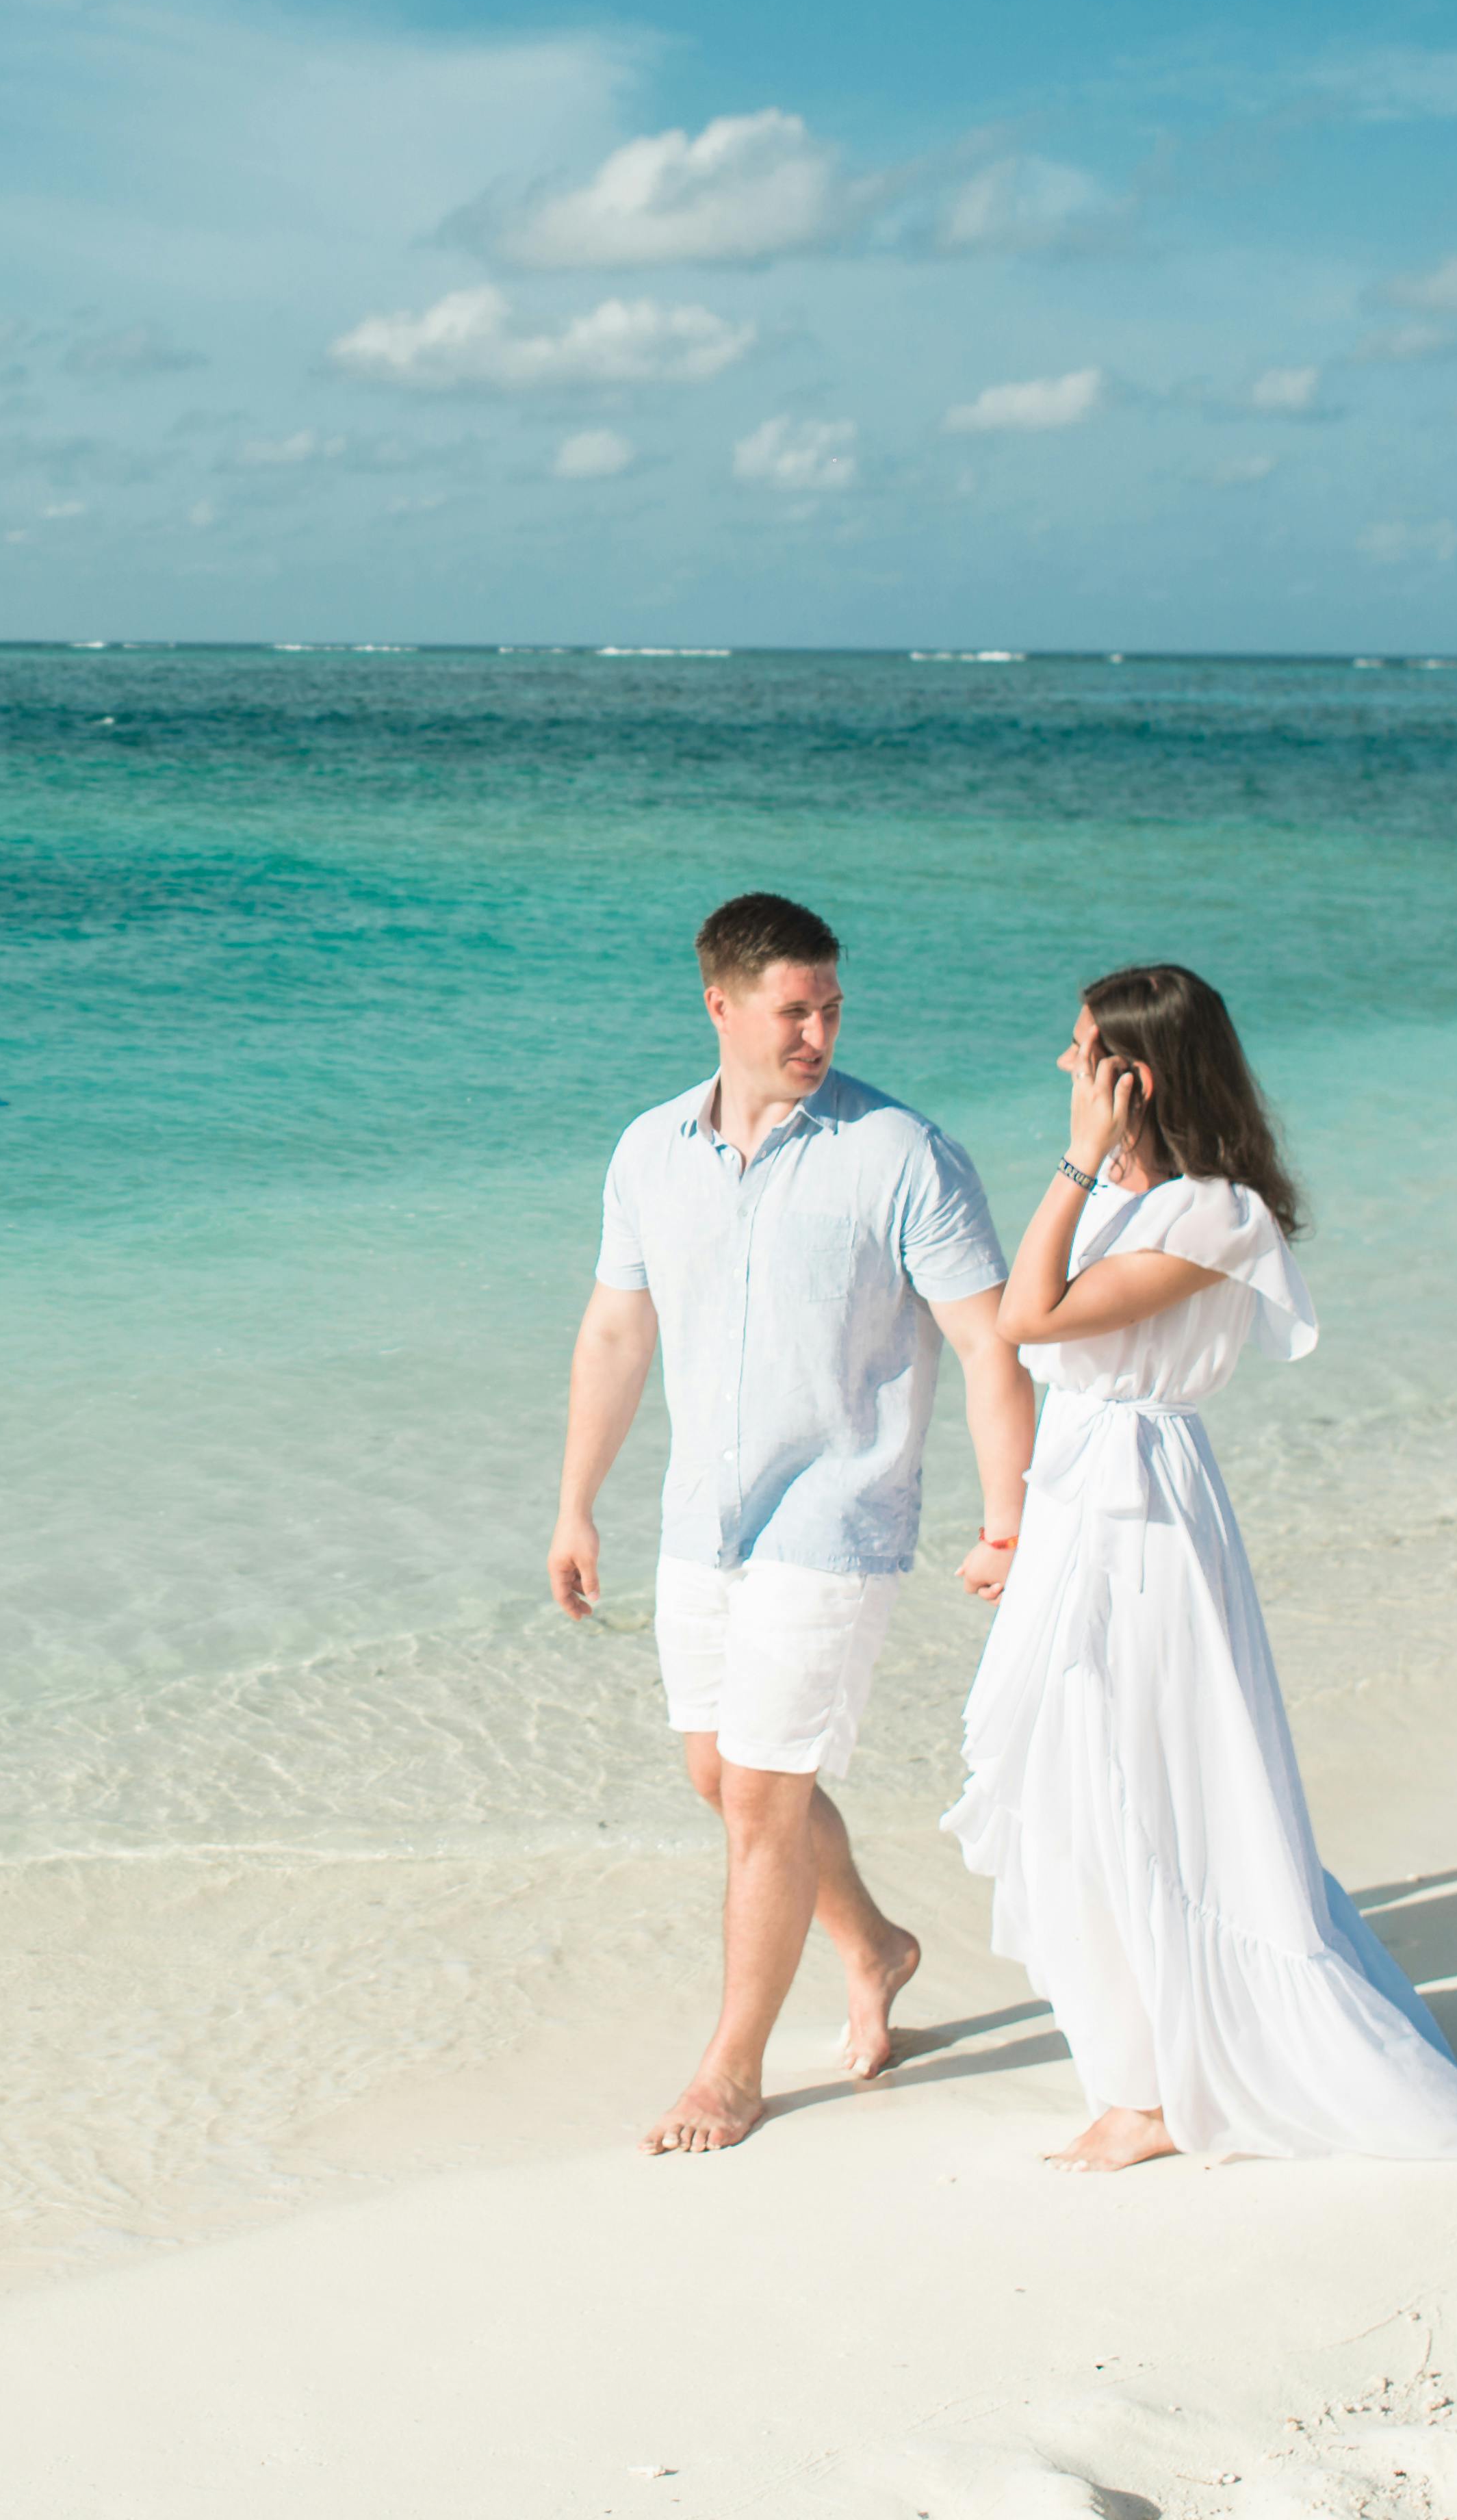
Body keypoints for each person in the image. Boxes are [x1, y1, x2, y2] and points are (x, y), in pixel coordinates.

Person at [944, 963, 1457, 2170]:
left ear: (1131, 1074)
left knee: (1142, 1782)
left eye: (1080, 1052)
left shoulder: (1218, 1212)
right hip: (1081, 1502)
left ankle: (1159, 2096)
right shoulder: (1118, 1191)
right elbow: (1040, 1340)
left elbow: (1028, 1320)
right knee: (1065, 1786)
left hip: (1145, 1515)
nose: (1062, 1068)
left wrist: (1068, 1160)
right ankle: (1133, 2074)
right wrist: (1018, 1534)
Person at [551, 892, 1036, 2156]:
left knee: (765, 1795)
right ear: (720, 1006)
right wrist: (573, 1506)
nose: (816, 1030)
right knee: (719, 1778)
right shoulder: (648, 1150)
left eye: (829, 1006)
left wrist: (1007, 1518)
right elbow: (615, 1331)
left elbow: (988, 1343)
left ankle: (729, 2071)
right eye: (791, 1009)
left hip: (839, 1513)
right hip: (700, 1515)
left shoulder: (901, 1154)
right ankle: (876, 1945)